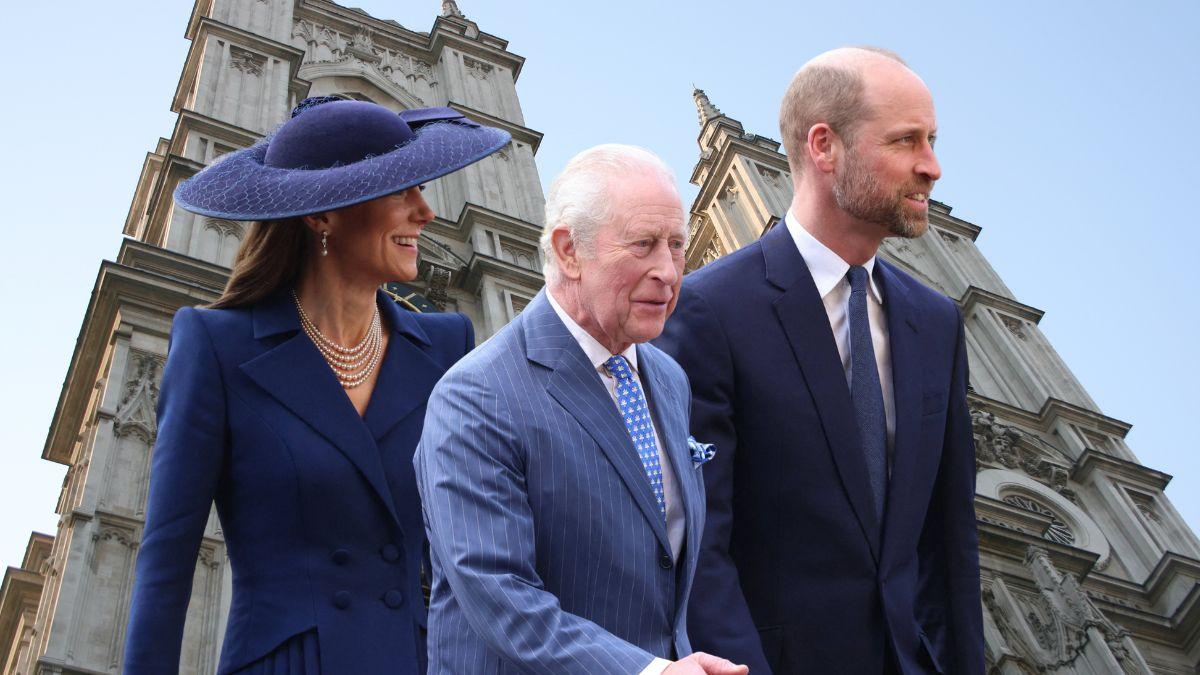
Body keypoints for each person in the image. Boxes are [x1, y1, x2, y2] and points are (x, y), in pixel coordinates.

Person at [122, 97, 510, 674]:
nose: (424, 211)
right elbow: (167, 558)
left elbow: (476, 550)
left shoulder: (446, 345)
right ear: (322, 214)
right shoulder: (216, 345)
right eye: (400, 189)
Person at [655, 47, 984, 674]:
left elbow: (949, 545)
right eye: (906, 141)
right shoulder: (708, 309)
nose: (933, 167)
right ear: (824, 146)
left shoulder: (936, 323)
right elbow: (696, 544)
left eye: (932, 140)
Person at [415, 145, 748, 675]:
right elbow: (501, 598)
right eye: (643, 245)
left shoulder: (666, 378)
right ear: (569, 251)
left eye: (677, 245)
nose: (668, 270)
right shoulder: (476, 396)